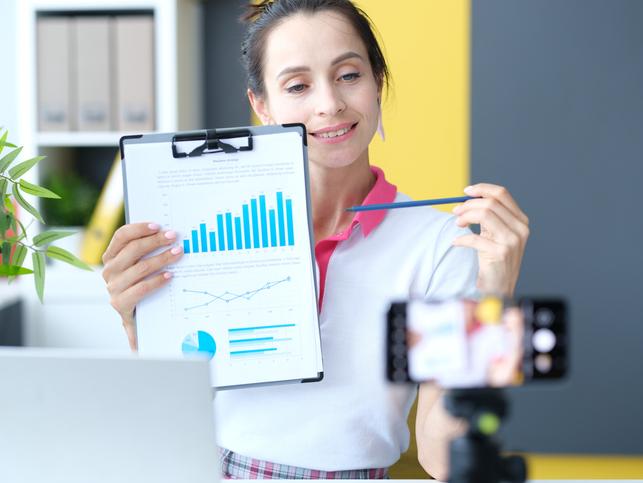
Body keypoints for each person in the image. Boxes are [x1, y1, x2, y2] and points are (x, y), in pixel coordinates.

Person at [102, 0, 530, 479]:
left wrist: (493, 304)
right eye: (298, 85)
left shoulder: (441, 246)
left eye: (349, 75)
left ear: (378, 85)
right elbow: (169, 401)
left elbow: (443, 457)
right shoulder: (200, 228)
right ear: (262, 105)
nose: (329, 103)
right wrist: (135, 319)